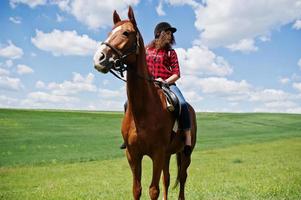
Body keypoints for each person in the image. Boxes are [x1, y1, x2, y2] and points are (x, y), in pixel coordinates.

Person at [121, 22, 192, 156]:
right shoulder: (146, 50)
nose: (171, 36)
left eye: (172, 34)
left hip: (168, 85)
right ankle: (127, 136)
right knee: (127, 103)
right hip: (149, 86)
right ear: (159, 33)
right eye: (168, 32)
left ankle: (187, 137)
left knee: (182, 104)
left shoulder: (171, 52)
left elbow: (177, 74)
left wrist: (165, 81)